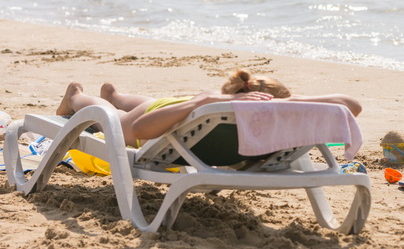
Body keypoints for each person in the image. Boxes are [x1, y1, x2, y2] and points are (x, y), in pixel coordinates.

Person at [56, 69, 362, 148]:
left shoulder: (212, 105)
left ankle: (117, 94)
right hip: (170, 114)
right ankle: (75, 97)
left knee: (137, 105)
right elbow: (136, 131)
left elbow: (353, 106)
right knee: (115, 117)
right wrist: (201, 102)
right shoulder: (207, 104)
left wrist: (290, 102)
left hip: (175, 109)